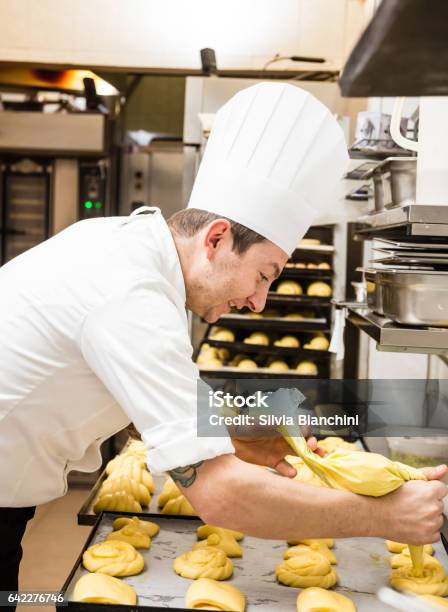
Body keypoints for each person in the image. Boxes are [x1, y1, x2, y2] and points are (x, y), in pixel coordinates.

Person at [0, 83, 446, 598]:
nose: (259, 302)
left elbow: (143, 393)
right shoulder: (132, 297)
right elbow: (220, 496)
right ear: (215, 239)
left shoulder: (122, 248)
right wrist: (386, 516)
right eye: (263, 274)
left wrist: (236, 435)